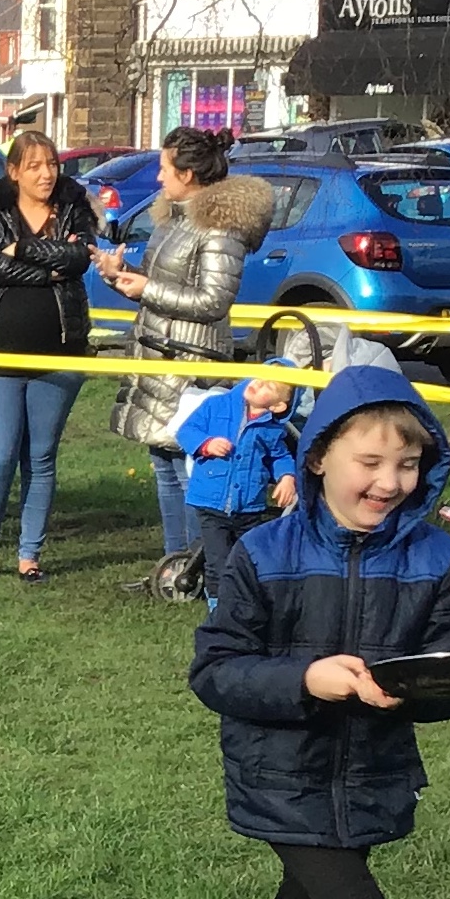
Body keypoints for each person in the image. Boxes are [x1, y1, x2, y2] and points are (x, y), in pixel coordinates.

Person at [189, 366, 450, 899]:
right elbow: (216, 671)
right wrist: (306, 678)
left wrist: (435, 687)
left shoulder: (437, 558)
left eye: (408, 465)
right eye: (371, 462)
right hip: (282, 769)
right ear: (318, 457)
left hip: (372, 774)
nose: (390, 482)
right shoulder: (261, 552)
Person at [91, 126, 273, 569]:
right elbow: (163, 288)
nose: (158, 178)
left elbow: (214, 301)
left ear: (188, 174)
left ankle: (204, 565)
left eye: (164, 168)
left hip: (192, 365)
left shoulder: (220, 228)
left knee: (195, 470)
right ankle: (177, 563)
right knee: (164, 467)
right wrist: (121, 275)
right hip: (157, 356)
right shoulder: (175, 220)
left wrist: (147, 287)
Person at [0, 130, 99, 583]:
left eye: (52, 164)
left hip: (60, 354)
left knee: (40, 458)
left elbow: (78, 258)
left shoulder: (76, 209)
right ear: (14, 171)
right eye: (35, 165)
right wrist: (45, 274)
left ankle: (29, 557)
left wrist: (22, 249)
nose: (46, 173)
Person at [175, 364, 297, 604]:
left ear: (278, 405)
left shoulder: (271, 428)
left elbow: (279, 456)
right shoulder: (216, 405)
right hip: (210, 501)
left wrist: (287, 477)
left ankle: (244, 601)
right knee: (217, 560)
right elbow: (187, 430)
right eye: (259, 378)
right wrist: (205, 444)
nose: (258, 383)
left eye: (269, 385)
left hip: (249, 506)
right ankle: (218, 607)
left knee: (247, 557)